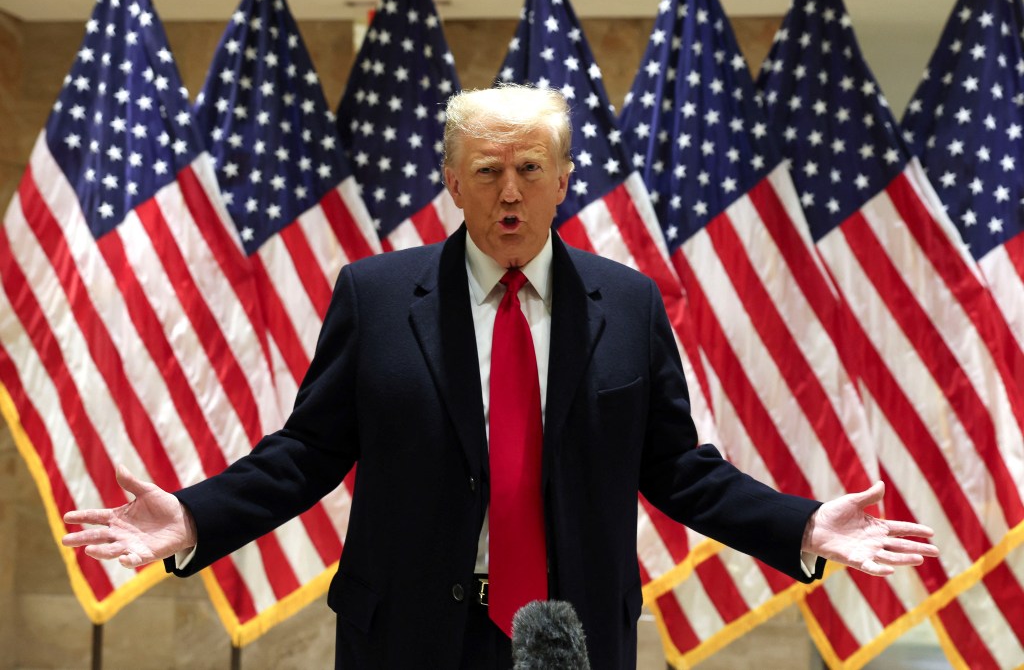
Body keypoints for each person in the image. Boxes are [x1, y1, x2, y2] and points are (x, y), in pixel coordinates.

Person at [62, 84, 938, 669]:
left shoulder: (626, 304)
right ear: (452, 182)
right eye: (487, 172)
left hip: (568, 635)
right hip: (405, 635)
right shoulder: (375, 296)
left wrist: (803, 525)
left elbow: (676, 468)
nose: (508, 192)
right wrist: (192, 516)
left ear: (563, 180)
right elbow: (306, 453)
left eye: (528, 170)